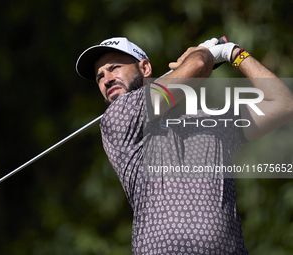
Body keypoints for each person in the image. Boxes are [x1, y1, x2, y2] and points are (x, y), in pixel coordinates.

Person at [76, 37, 293, 255]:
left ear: (145, 67)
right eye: (100, 77)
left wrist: (233, 53)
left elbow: (283, 104)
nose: (106, 80)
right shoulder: (119, 117)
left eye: (114, 68)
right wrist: (202, 55)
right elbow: (197, 66)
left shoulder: (211, 122)